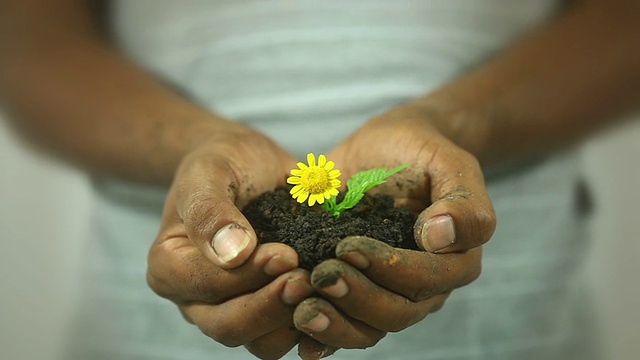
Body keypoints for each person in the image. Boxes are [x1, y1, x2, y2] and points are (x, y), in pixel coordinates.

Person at [1, 0, 638, 359]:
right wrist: (196, 143)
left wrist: (453, 121)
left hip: (519, 327)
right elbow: (26, 44)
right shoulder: (312, 187)